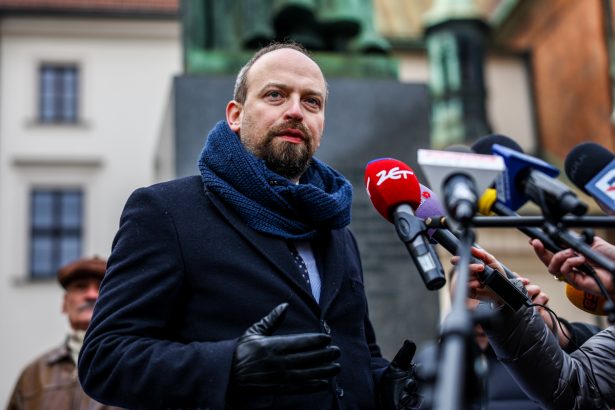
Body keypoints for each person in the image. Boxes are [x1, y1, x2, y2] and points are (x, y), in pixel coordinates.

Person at [78, 42, 419, 410]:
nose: (295, 111)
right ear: (235, 115)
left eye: (312, 102)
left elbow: (356, 352)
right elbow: (104, 357)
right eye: (275, 95)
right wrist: (228, 366)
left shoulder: (337, 231)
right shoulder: (167, 212)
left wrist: (385, 383)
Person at [463, 242, 615, 410]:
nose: (478, 314)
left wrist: (543, 323)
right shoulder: (448, 357)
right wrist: (512, 310)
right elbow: (580, 390)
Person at [7, 257, 121, 410]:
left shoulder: (131, 364)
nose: (91, 295)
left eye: (101, 287)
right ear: (65, 304)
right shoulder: (33, 374)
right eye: (81, 287)